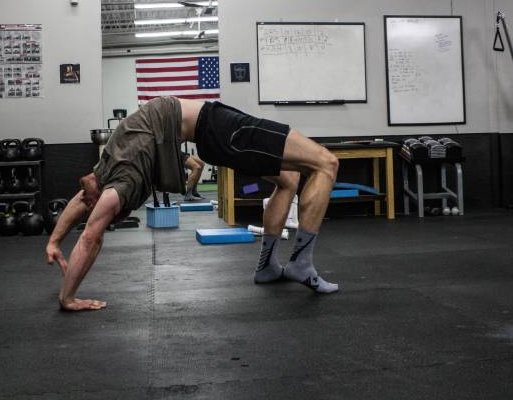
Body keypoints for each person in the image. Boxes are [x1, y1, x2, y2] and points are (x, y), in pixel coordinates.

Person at [46, 96, 339, 311]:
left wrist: (55, 241)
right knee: (326, 162)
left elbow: (82, 200)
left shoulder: (107, 167)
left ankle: (267, 267)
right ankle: (302, 262)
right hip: (217, 127)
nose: (87, 197)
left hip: (212, 129)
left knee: (287, 179)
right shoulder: (123, 183)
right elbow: (90, 237)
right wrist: (67, 297)